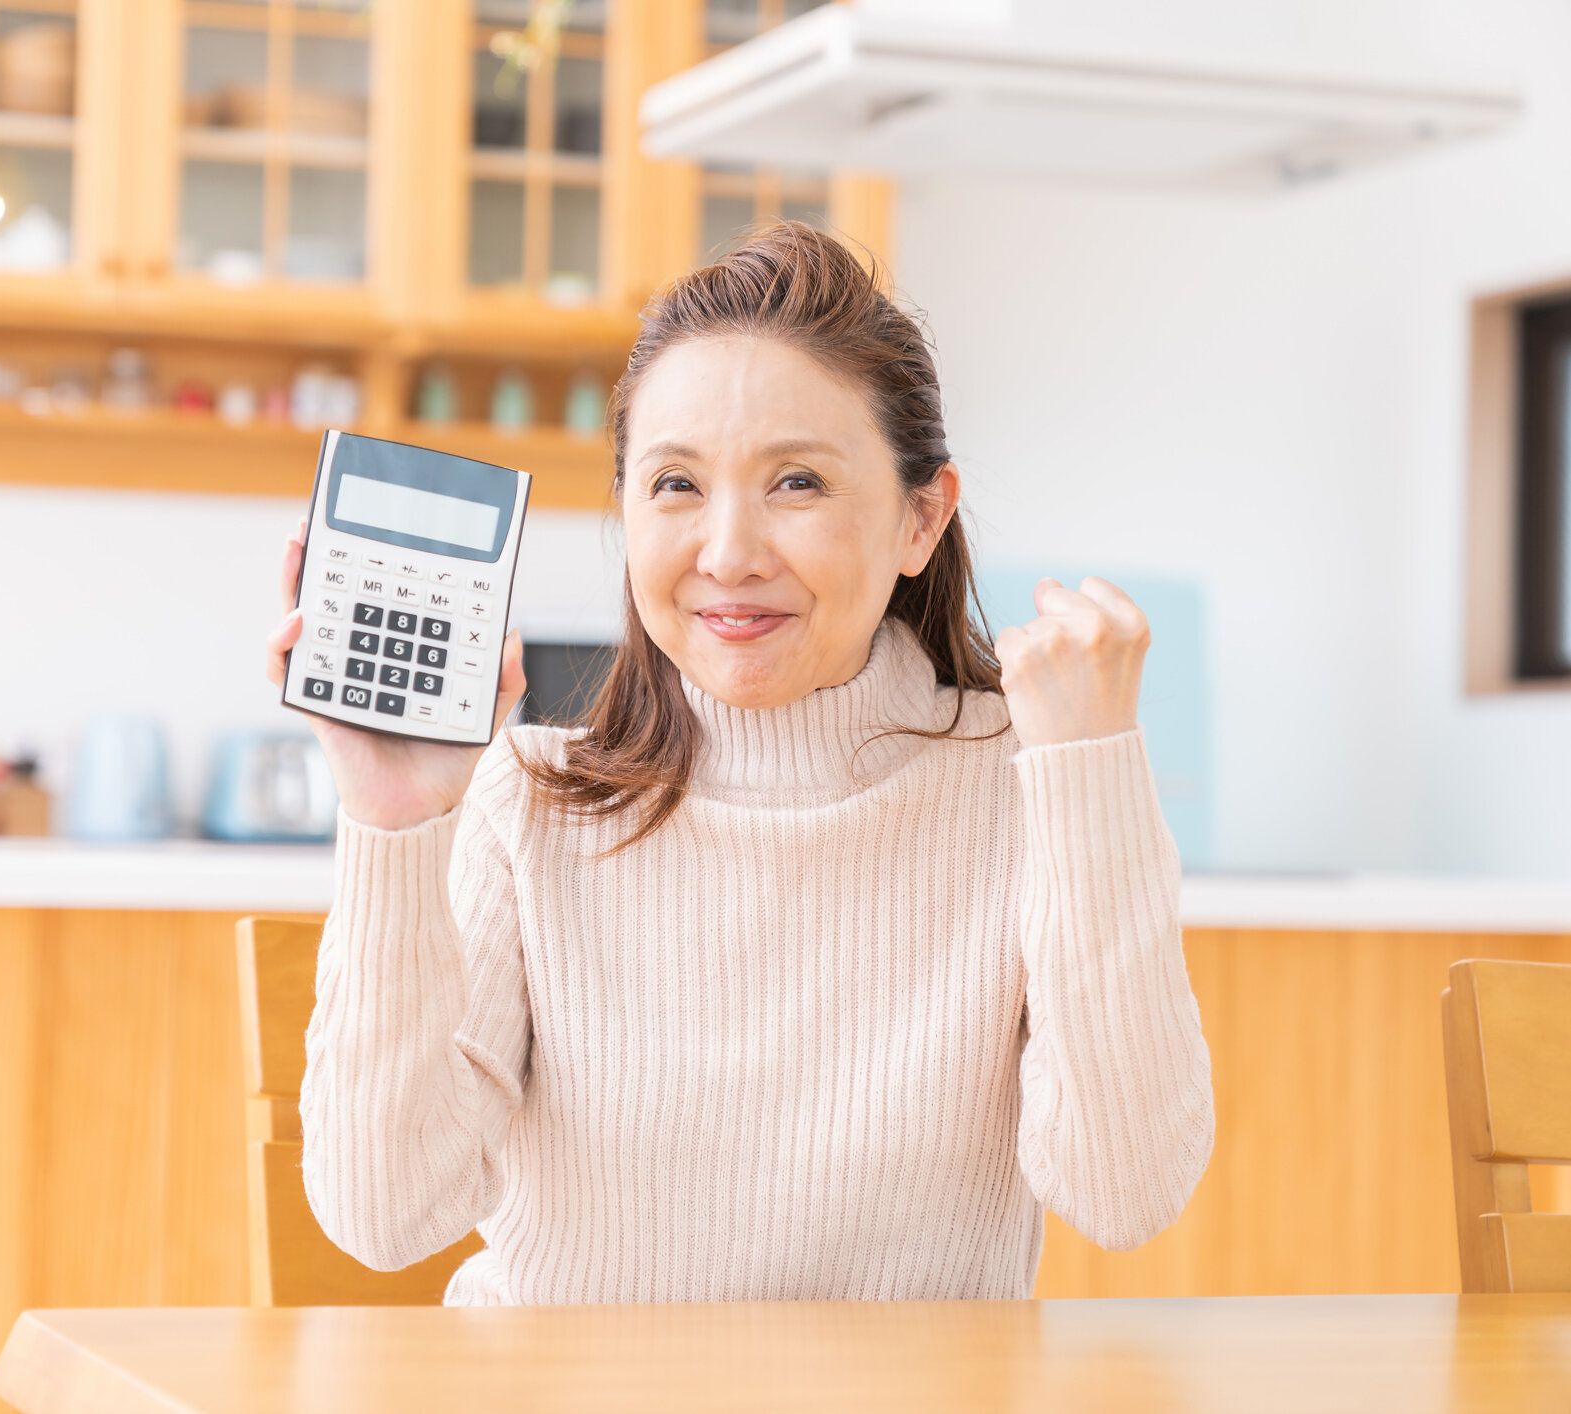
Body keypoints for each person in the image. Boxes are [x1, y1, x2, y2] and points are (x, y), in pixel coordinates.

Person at [262, 220, 1214, 1305]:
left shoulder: (1032, 787)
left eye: (797, 482)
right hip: (573, 1387)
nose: (727, 553)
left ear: (920, 518)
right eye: (675, 485)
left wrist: (1089, 775)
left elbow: (1126, 1193)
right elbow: (384, 1217)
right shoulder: (527, 801)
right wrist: (392, 821)